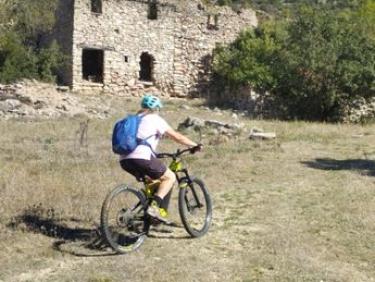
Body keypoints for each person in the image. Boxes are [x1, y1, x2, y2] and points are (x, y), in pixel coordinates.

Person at [120, 94, 201, 222]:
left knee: (155, 181)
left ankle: (142, 217)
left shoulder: (134, 120)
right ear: (156, 108)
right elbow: (177, 136)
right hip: (142, 157)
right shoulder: (154, 118)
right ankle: (154, 207)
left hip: (124, 160)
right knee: (170, 177)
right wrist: (194, 145)